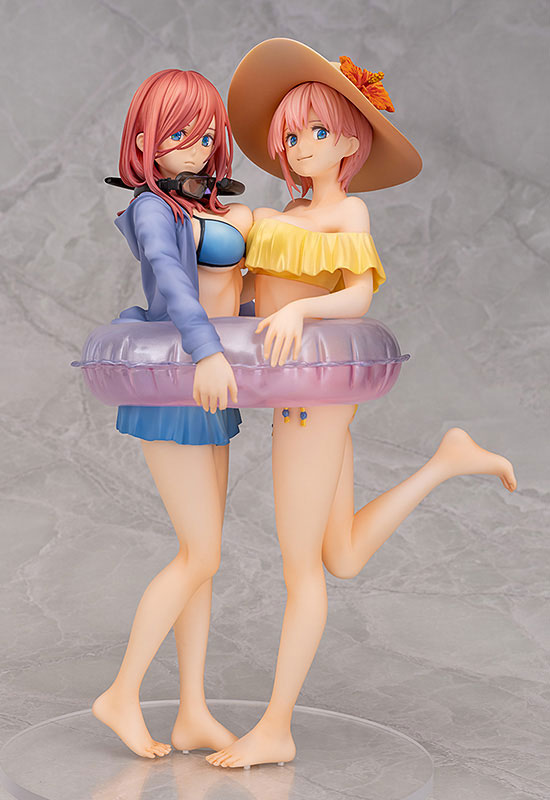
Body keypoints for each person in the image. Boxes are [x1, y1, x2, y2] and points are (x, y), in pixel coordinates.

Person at [206, 38, 517, 769]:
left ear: (350, 140)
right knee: (340, 554)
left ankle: (276, 727)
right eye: (291, 135)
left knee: (301, 570)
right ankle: (447, 461)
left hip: (312, 404)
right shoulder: (283, 212)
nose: (302, 146)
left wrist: (299, 311)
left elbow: (358, 295)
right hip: (303, 397)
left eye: (317, 131)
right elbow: (251, 289)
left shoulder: (349, 216)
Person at [91, 68, 252, 759]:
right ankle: (121, 694)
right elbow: (172, 281)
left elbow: (227, 285)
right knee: (201, 552)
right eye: (180, 133)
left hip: (213, 385)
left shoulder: (195, 205)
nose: (197, 146)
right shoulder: (153, 209)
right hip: (181, 378)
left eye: (206, 133)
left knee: (204, 559)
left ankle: (192, 710)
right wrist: (209, 350)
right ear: (145, 140)